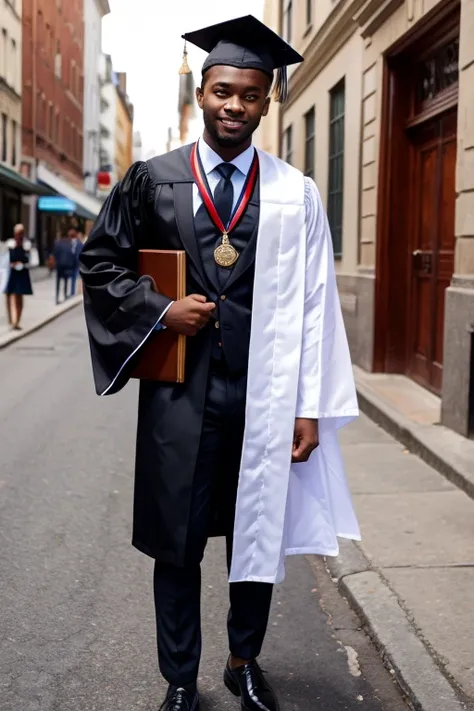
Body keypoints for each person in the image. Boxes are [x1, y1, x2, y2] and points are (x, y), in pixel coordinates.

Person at [80, 15, 360, 711]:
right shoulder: (152, 180)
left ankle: (243, 661)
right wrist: (159, 309)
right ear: (202, 94)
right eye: (222, 91)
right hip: (181, 397)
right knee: (177, 545)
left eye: (251, 94)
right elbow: (101, 263)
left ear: (268, 101)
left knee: (256, 536)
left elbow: (317, 303)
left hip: (264, 396)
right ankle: (180, 676)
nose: (235, 105)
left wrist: (310, 407)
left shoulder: (297, 192)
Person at [4, 224, 33, 330]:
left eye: (20, 232)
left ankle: (17, 321)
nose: (19, 234)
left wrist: (22, 263)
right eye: (17, 232)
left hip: (22, 272)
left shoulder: (26, 244)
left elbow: (29, 259)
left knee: (18, 296)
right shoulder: (10, 243)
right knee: (8, 294)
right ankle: (11, 319)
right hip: (11, 272)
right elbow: (5, 258)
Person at [53, 229, 78, 304]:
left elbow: (55, 253)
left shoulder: (58, 243)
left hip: (59, 264)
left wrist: (57, 261)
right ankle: (64, 295)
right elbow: (71, 254)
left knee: (58, 281)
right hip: (66, 265)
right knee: (65, 281)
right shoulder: (69, 243)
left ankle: (57, 297)